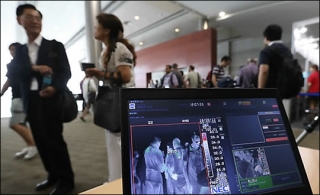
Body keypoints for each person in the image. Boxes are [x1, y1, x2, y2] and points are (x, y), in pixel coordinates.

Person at [7, 4, 74, 194]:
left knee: (55, 140)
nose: (35, 21)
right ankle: (52, 175)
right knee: (40, 141)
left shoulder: (55, 46)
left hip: (52, 99)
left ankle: (66, 180)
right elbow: (13, 72)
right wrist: (33, 68)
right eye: (29, 17)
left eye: (38, 17)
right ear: (20, 21)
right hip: (31, 101)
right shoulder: (19, 50)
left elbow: (65, 73)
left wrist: (54, 87)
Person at [85, 13, 136, 183]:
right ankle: (115, 179)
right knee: (114, 142)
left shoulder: (119, 48)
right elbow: (111, 76)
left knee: (118, 142)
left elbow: (126, 76)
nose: (94, 29)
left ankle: (118, 182)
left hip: (121, 101)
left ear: (106, 30)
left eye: (96, 26)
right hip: (115, 99)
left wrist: (100, 73)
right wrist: (98, 74)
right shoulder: (107, 50)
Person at [1, 42, 37, 160]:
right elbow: (9, 80)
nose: (12, 52)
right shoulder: (11, 65)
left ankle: (33, 146)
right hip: (15, 96)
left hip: (24, 96)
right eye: (10, 50)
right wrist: (2, 92)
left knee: (14, 123)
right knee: (22, 123)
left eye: (14, 49)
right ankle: (29, 145)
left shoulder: (27, 62)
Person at [258, 24, 292, 91]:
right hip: (284, 88)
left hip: (270, 89)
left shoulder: (266, 51)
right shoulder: (287, 50)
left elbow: (264, 71)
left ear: (266, 37)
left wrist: (260, 90)